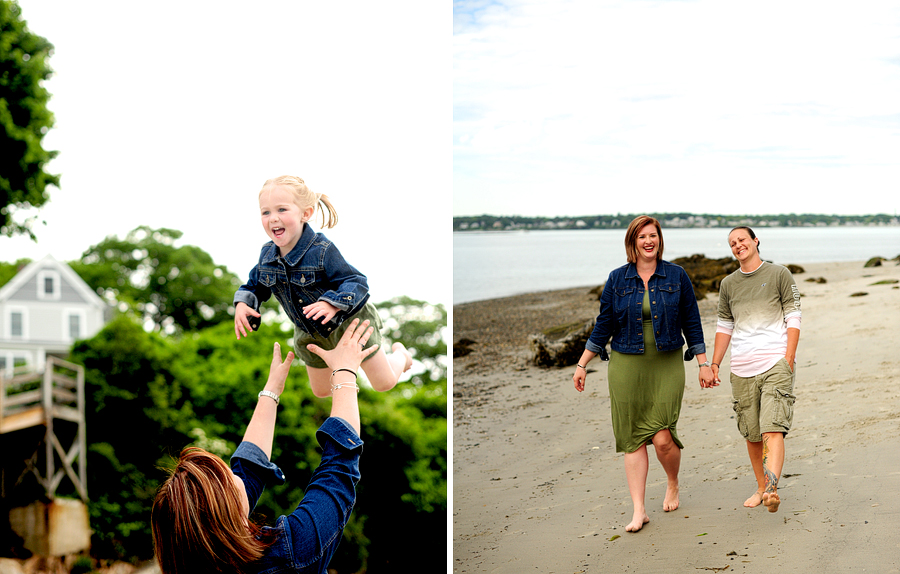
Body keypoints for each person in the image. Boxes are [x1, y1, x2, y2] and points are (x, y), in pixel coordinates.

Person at [152, 318, 378, 574]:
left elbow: (249, 469)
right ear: (229, 509)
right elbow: (338, 469)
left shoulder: (205, 557)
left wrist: (271, 390)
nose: (233, 472)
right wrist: (346, 372)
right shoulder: (291, 554)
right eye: (227, 475)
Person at [573, 215, 715, 533]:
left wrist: (703, 363)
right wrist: (583, 364)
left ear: (659, 240)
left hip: (665, 362)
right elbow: (604, 324)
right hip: (626, 364)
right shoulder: (617, 279)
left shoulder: (677, 276)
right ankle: (639, 510)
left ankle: (673, 481)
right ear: (632, 242)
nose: (648, 241)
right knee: (632, 439)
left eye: (653, 236)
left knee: (663, 438)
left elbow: (691, 321)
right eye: (642, 237)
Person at [233, 175, 412, 397]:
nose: (273, 218)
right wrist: (243, 303)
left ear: (305, 214)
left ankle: (401, 356)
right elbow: (254, 284)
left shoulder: (322, 250)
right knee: (321, 391)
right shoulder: (267, 256)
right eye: (266, 212)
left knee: (383, 383)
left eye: (282, 210)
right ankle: (347, 381)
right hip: (311, 333)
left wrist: (332, 304)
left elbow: (356, 281)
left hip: (349, 324)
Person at [710, 226, 800, 514]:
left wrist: (789, 356)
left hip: (775, 362)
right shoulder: (728, 284)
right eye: (733, 243)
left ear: (755, 241)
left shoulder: (779, 274)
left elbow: (793, 315)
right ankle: (761, 487)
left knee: (772, 427)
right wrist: (714, 363)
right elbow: (725, 326)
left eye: (742, 240)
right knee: (751, 434)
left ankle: (772, 489)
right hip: (741, 368)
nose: (738, 245)